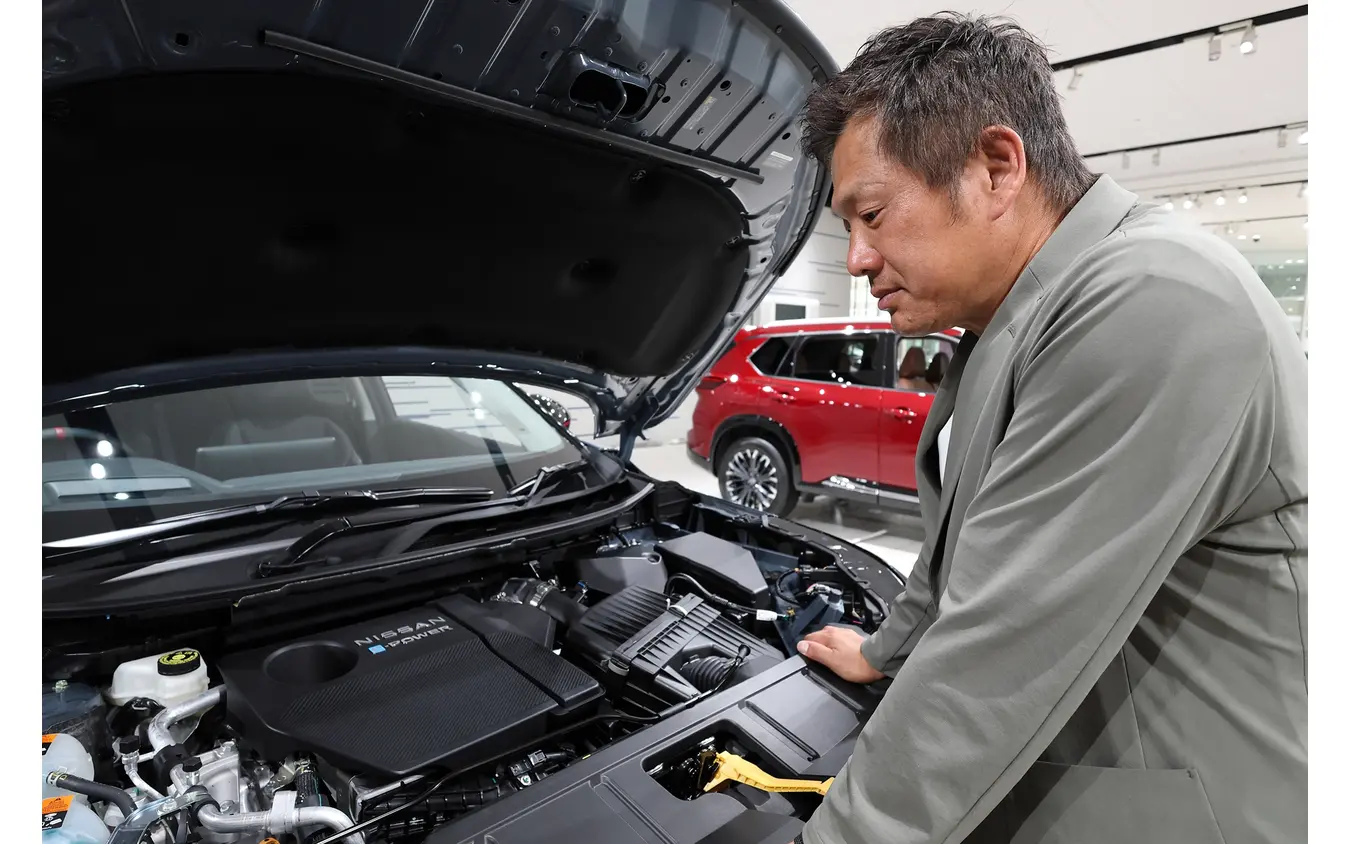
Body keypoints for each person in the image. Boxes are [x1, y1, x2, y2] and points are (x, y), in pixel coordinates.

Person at [789, 14, 1307, 844]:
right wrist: (886, 650)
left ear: (996, 167)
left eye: (873, 214)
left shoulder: (1153, 297)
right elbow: (960, 548)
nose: (855, 257)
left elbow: (1002, 648)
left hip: (1188, 803)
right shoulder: (1012, 320)